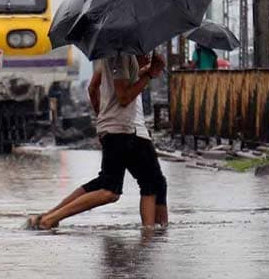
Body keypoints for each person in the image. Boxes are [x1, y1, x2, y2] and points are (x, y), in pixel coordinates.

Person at [26, 53, 168, 230]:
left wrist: (102, 120)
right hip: (125, 128)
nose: (147, 55)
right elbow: (123, 96)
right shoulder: (121, 57)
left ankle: (153, 235)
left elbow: (94, 88)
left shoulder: (112, 58)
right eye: (144, 53)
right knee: (114, 190)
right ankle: (155, 234)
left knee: (133, 184)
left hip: (118, 127)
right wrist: (149, 74)